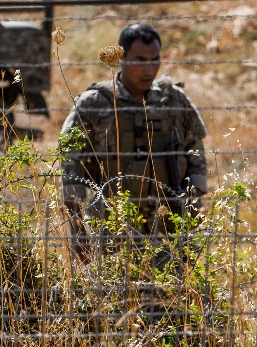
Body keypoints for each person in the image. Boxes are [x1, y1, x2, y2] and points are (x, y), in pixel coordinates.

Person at [59, 23, 208, 261]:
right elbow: (70, 164)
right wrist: (77, 229)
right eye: (140, 60)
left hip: (167, 224)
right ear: (121, 58)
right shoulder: (94, 104)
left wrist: (195, 202)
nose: (149, 69)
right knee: (114, 295)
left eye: (155, 60)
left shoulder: (173, 101)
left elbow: (195, 150)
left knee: (172, 294)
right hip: (112, 226)